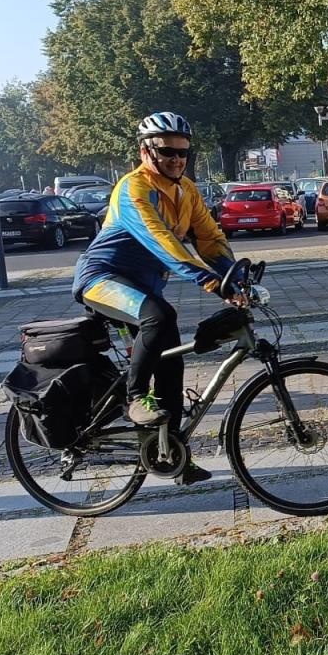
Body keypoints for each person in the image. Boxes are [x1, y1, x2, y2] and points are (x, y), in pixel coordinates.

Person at [72, 112, 238, 483]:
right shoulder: (133, 188)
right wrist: (212, 283)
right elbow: (161, 242)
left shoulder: (186, 190)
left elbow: (209, 238)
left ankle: (172, 454)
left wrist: (235, 277)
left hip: (143, 289)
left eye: (183, 153)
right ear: (146, 152)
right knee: (159, 316)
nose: (177, 159)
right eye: (167, 152)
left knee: (171, 364)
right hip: (101, 279)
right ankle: (134, 399)